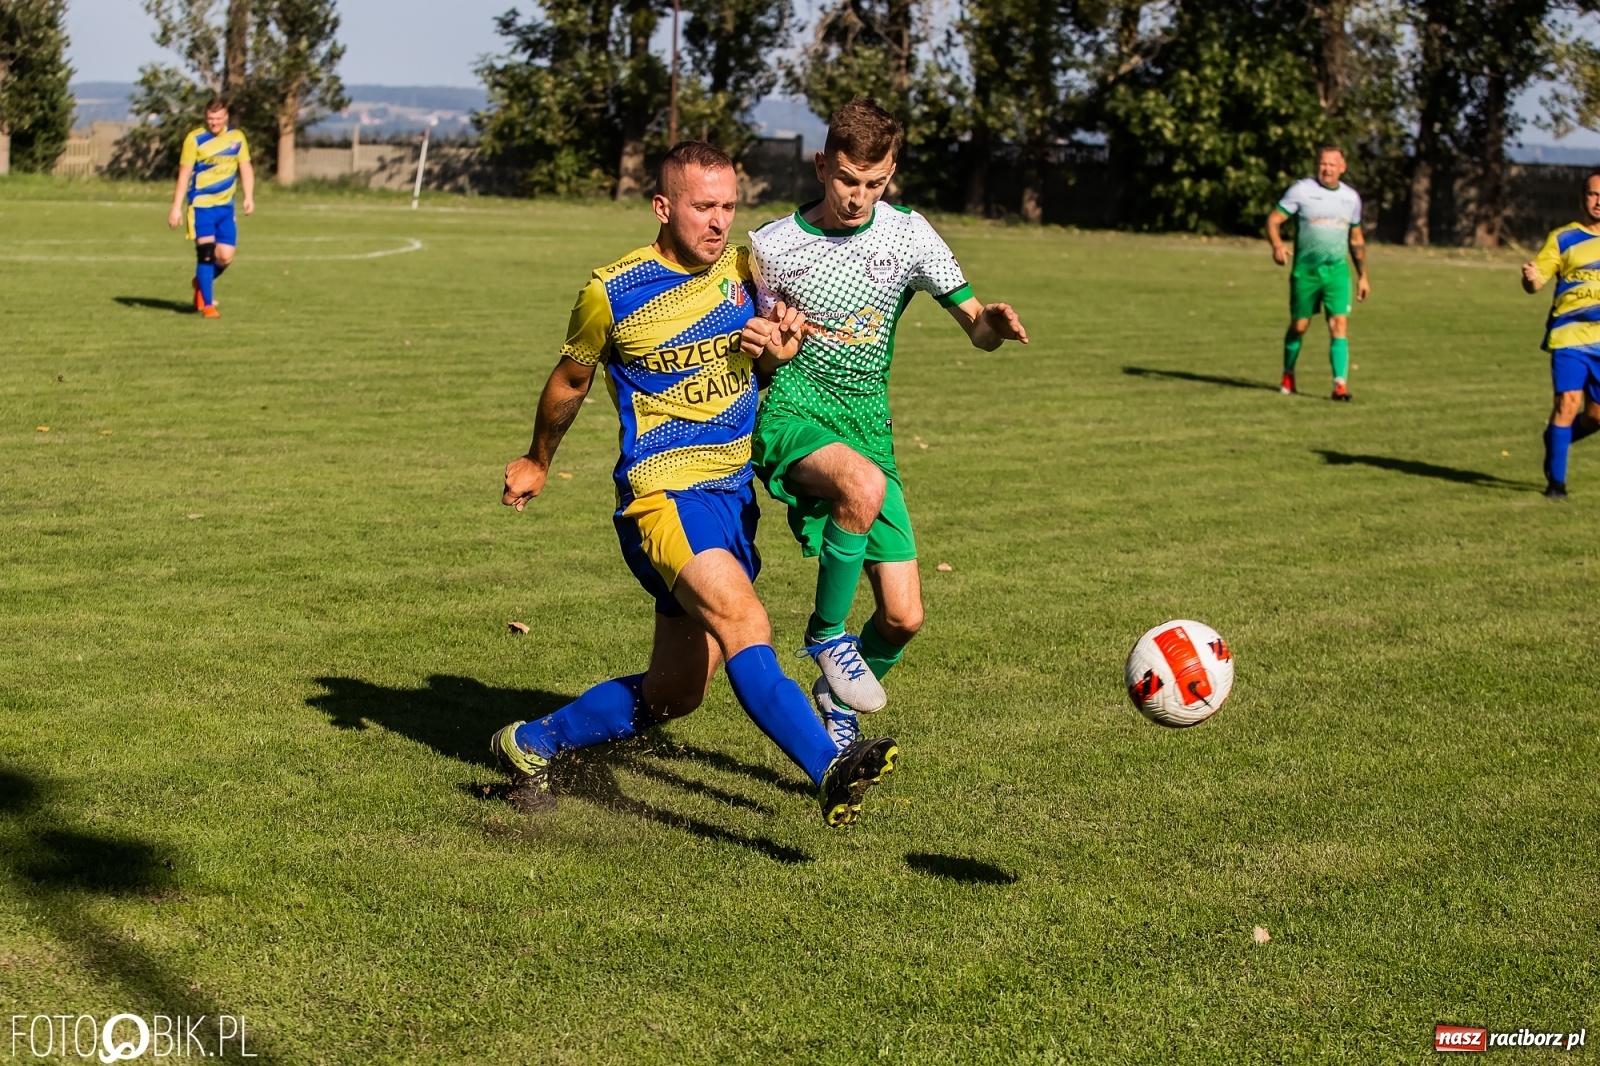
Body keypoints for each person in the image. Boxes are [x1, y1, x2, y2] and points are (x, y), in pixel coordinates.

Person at [491, 141, 898, 828]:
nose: (719, 221)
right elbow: (571, 379)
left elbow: (773, 368)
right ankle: (828, 769)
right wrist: (537, 459)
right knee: (746, 621)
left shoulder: (746, 271)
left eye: (729, 207)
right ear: (663, 206)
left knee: (676, 693)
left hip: (732, 498)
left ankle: (527, 744)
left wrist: (780, 350)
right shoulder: (612, 290)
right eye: (703, 206)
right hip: (664, 497)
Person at [747, 97, 1029, 748]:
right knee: (861, 485)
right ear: (822, 166)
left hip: (869, 428)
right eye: (847, 179)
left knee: (903, 618)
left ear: (892, 171)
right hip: (796, 415)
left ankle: (834, 699)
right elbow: (766, 365)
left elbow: (976, 328)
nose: (858, 197)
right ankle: (825, 636)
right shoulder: (774, 247)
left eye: (875, 182)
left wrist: (995, 326)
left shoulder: (907, 235)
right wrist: (773, 347)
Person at [1266, 146, 1370, 400]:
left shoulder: (1350, 198)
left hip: (1337, 271)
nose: (1327, 169)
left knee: (1338, 323)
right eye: (1323, 163)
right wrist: (1277, 245)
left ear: (1342, 168)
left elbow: (1356, 239)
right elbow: (1273, 220)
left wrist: (1363, 276)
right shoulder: (1301, 191)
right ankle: (1288, 371)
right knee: (1299, 326)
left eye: (1332, 165)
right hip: (1306, 271)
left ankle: (1340, 384)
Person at [1523, 170, 1600, 500]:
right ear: (1583, 198)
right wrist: (1529, 278)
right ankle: (1556, 485)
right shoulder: (1563, 238)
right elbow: (1536, 282)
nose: (1599, 202)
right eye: (1594, 194)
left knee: (1596, 417)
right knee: (1567, 404)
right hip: (1569, 337)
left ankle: (1556, 436)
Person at [166, 98, 254, 319]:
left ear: (226, 117)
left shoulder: (237, 138)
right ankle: (208, 306)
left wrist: (249, 196)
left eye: (218, 118)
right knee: (206, 254)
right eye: (210, 118)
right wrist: (176, 208)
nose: (214, 122)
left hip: (225, 208)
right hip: (201, 207)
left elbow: (245, 167)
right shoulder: (194, 139)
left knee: (225, 258)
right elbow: (184, 174)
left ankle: (200, 282)